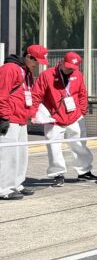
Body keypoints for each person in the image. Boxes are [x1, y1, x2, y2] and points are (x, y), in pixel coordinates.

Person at [33, 51, 96, 186]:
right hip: (54, 118)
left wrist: (82, 111)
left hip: (75, 117)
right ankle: (58, 174)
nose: (69, 70)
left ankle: (84, 172)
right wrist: (32, 113)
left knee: (79, 145)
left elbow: (82, 94)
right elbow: (36, 94)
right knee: (54, 147)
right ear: (61, 62)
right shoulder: (47, 75)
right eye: (67, 66)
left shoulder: (78, 75)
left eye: (72, 68)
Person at [0, 45, 46, 200]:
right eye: (35, 61)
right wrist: (4, 117)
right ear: (28, 56)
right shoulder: (10, 69)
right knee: (7, 155)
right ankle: (4, 189)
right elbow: (2, 94)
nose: (37, 64)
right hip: (10, 119)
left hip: (21, 119)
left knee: (20, 155)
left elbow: (29, 95)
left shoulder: (26, 72)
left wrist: (31, 114)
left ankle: (16, 184)